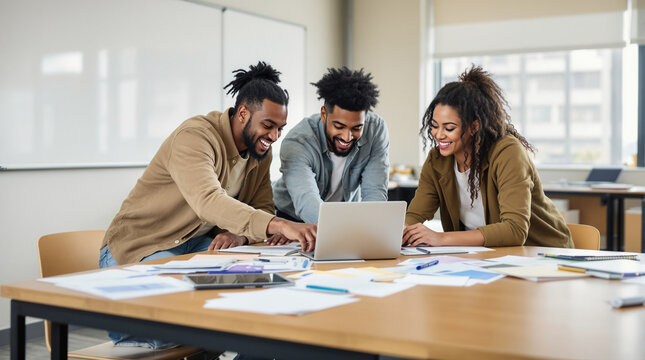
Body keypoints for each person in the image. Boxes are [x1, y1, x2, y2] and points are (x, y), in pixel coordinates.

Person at [99, 62, 316, 349]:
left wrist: (239, 234)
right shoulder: (195, 136)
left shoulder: (260, 151)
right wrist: (280, 224)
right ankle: (134, 331)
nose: (274, 137)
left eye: (280, 128)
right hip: (140, 248)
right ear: (243, 114)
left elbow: (262, 206)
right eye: (268, 126)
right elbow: (208, 200)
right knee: (195, 318)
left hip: (198, 244)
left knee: (266, 293)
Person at [403, 65, 573, 248]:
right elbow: (415, 214)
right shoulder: (437, 160)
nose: (438, 135)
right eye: (434, 125)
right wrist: (400, 231)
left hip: (543, 253)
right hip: (484, 257)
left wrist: (440, 238)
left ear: (474, 127)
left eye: (449, 128)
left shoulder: (508, 152)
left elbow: (515, 230)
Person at [271, 67, 389, 228]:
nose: (347, 137)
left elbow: (375, 192)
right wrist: (342, 232)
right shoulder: (299, 141)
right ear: (324, 114)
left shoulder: (375, 129)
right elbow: (307, 201)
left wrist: (371, 229)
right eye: (339, 126)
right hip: (294, 220)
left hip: (344, 219)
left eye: (356, 128)